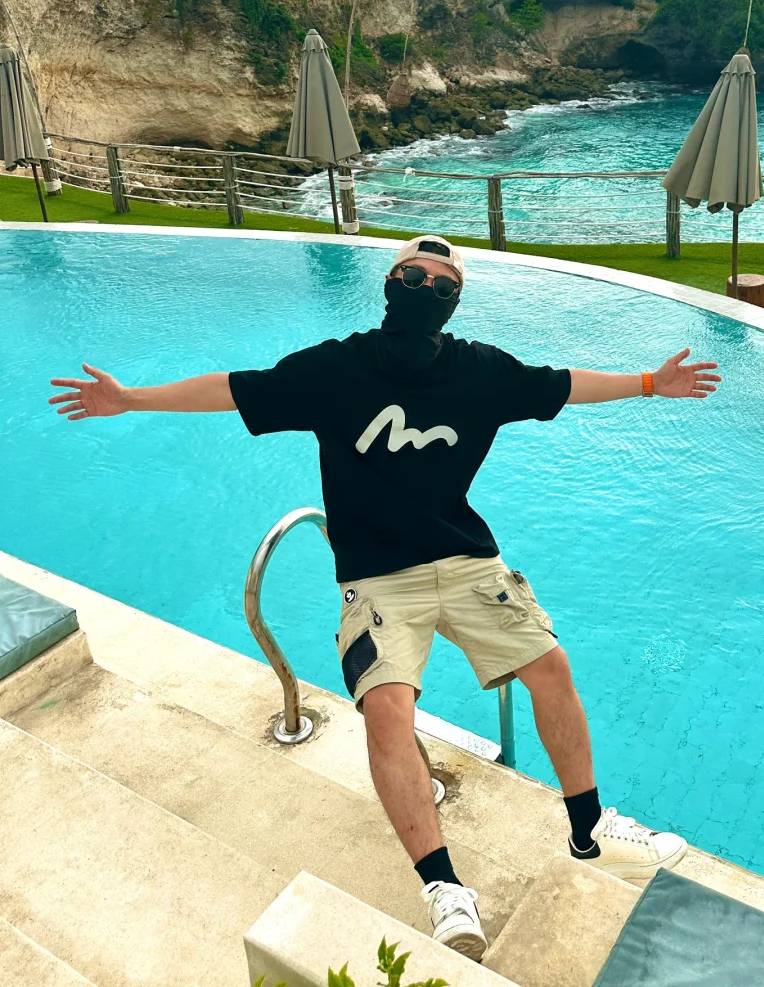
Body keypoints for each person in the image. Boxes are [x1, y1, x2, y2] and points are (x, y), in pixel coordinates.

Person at [49, 234, 721, 962]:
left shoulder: (480, 371)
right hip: (376, 579)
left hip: (467, 563)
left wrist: (653, 384)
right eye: (413, 276)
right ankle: (443, 887)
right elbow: (233, 388)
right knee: (387, 708)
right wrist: (129, 400)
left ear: (454, 300)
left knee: (549, 666)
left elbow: (563, 384)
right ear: (389, 282)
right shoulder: (337, 368)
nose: (425, 290)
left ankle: (591, 830)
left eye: (442, 285)